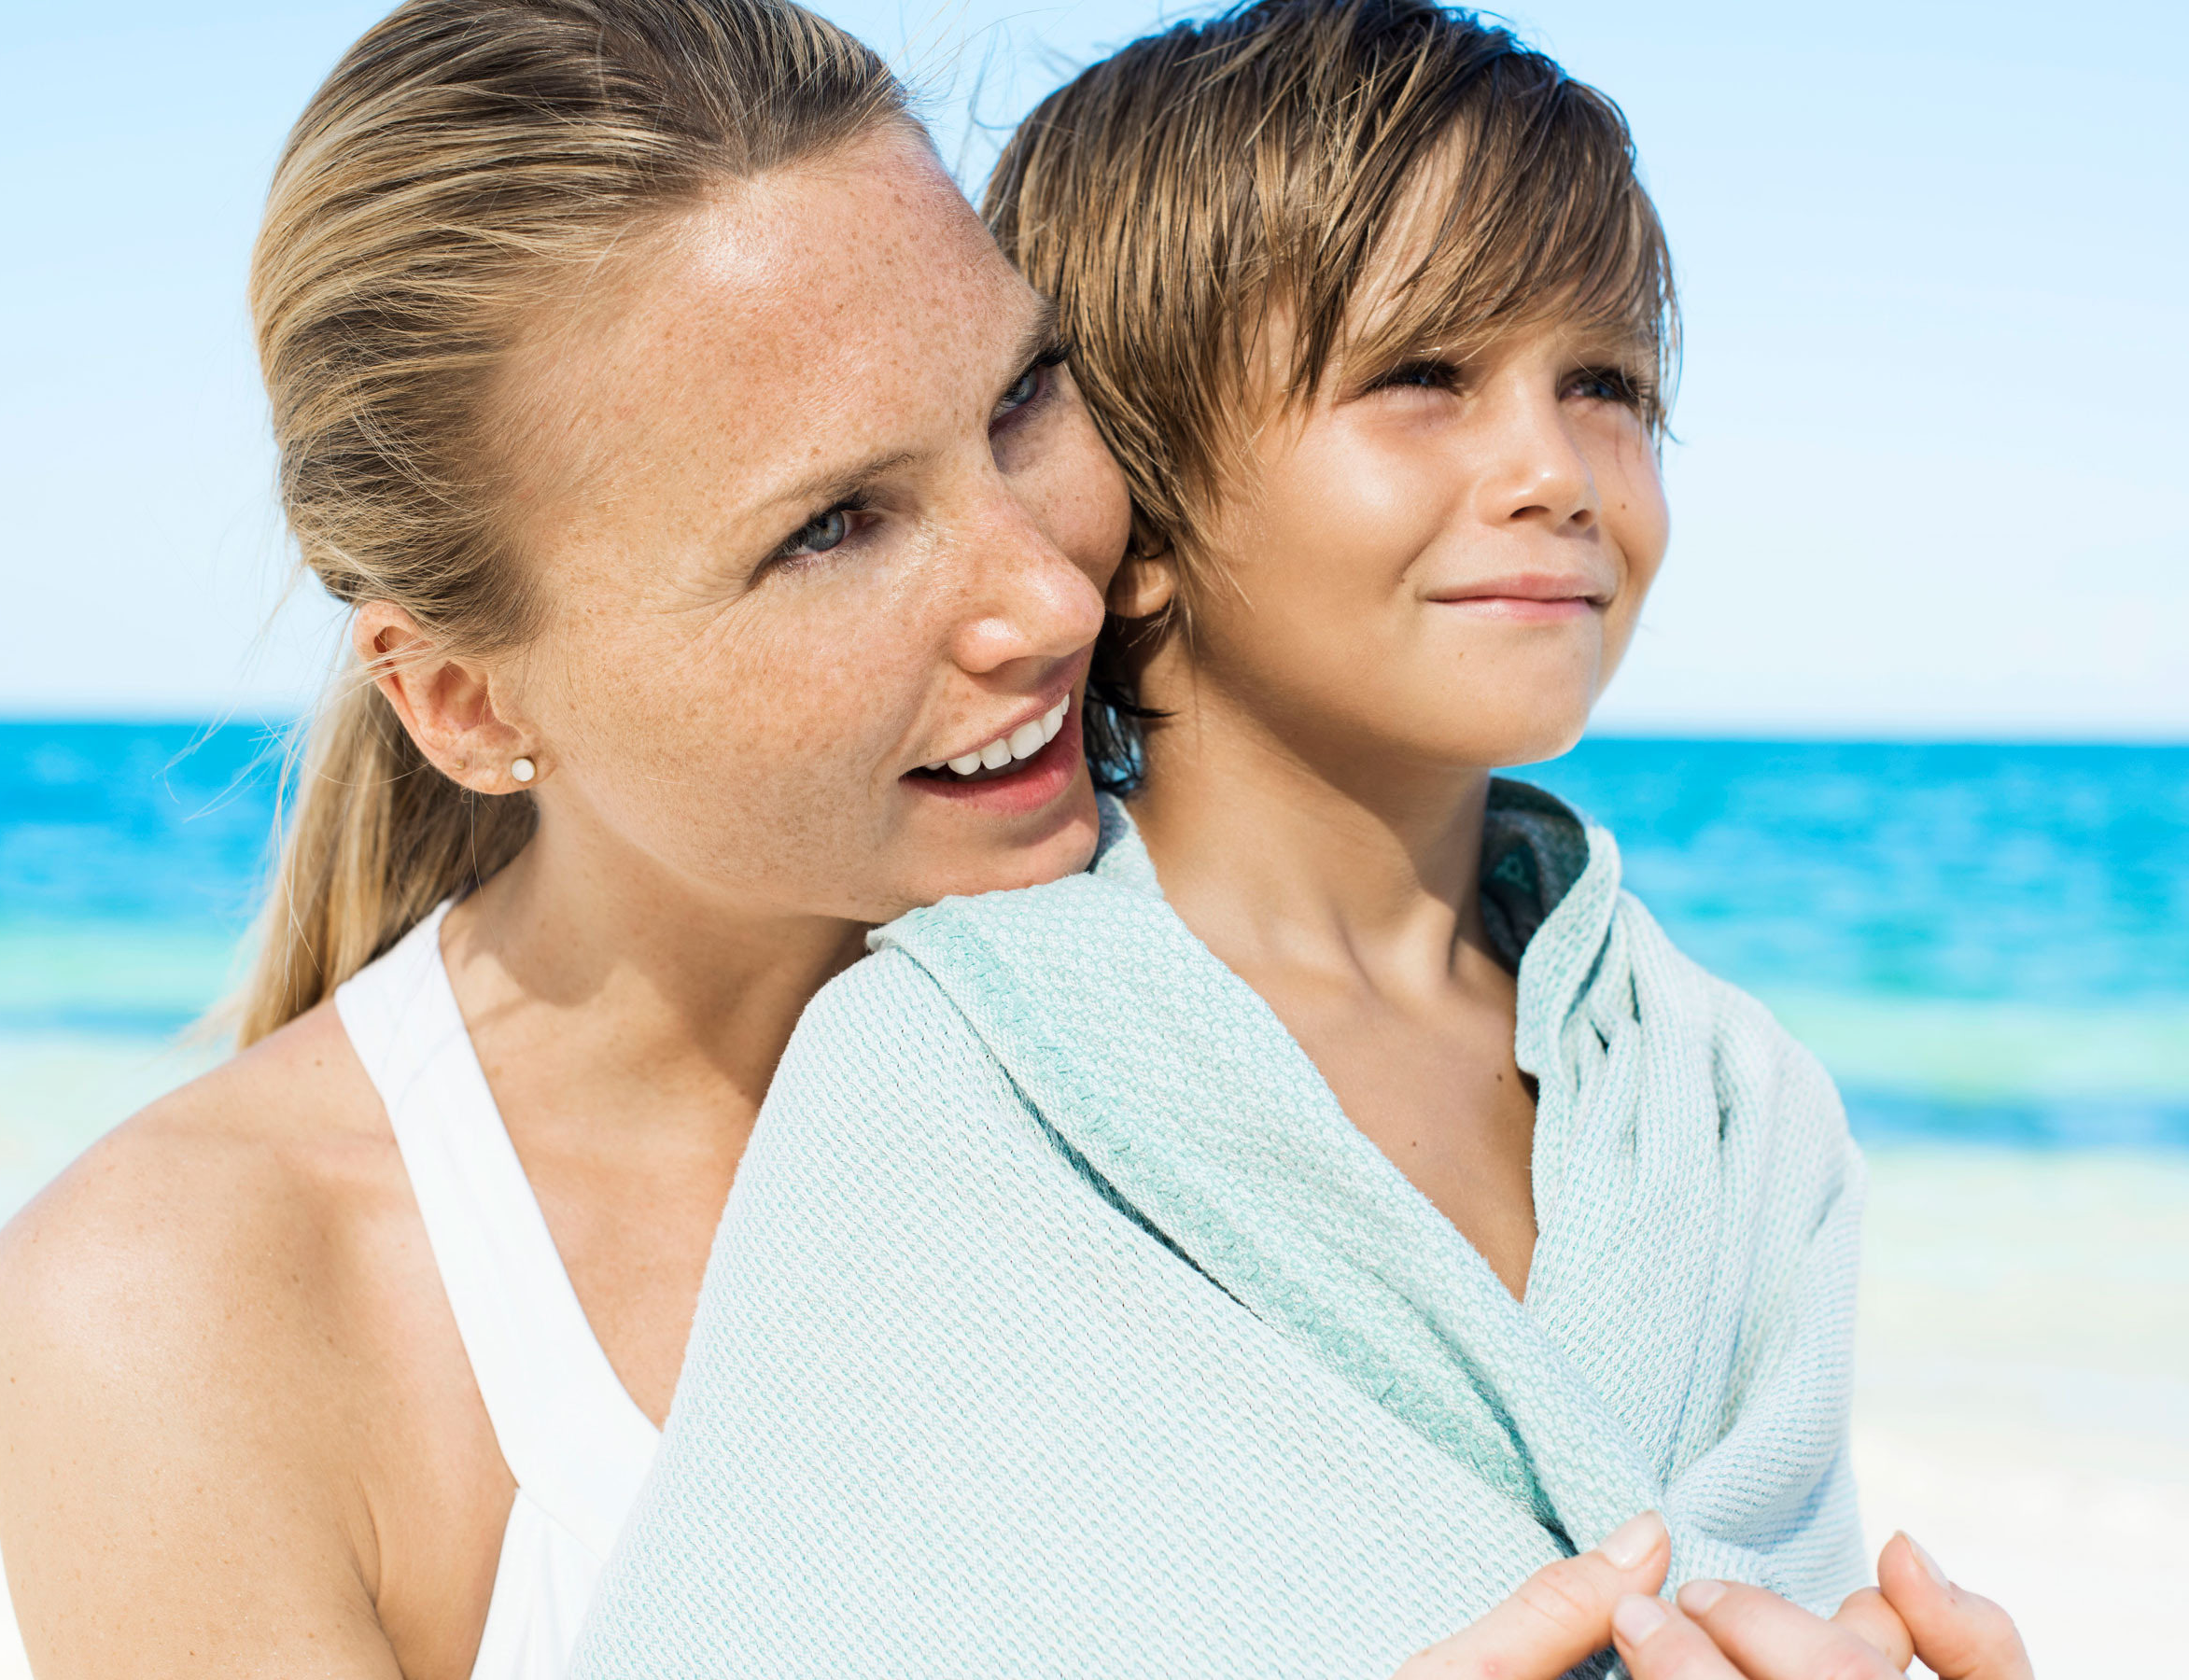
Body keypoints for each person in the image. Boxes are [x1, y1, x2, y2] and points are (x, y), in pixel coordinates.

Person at [571, 6, 2033, 1680]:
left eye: (1608, 383)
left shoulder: (1727, 1100)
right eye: (1424, 376)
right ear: (1133, 503)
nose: (1555, 468)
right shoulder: (957, 1083)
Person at [0, 3, 1132, 1675]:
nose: (1049, 592)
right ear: (461, 699)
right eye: (831, 528)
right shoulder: (186, 1306)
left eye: (1024, 396)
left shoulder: (1286, 1013)